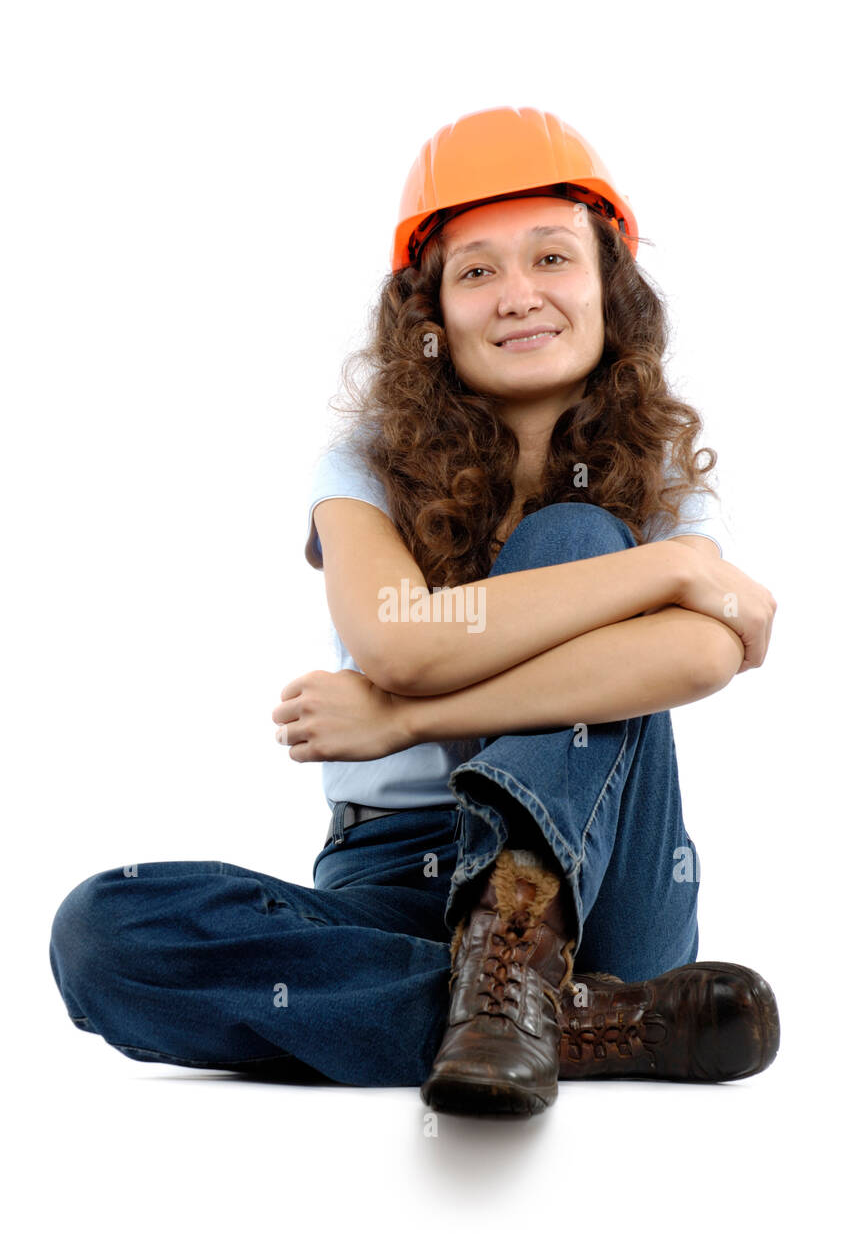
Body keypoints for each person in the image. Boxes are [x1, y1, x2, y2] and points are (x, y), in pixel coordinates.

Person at [49, 106, 780, 1118]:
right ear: (428, 314)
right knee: (105, 933)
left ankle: (514, 959)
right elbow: (398, 639)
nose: (517, 295)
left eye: (551, 258)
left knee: (571, 532)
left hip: (611, 882)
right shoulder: (361, 467)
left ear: (608, 287)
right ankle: (579, 1023)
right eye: (476, 271)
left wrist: (403, 721)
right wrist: (666, 574)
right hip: (398, 871)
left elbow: (700, 658)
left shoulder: (654, 481)